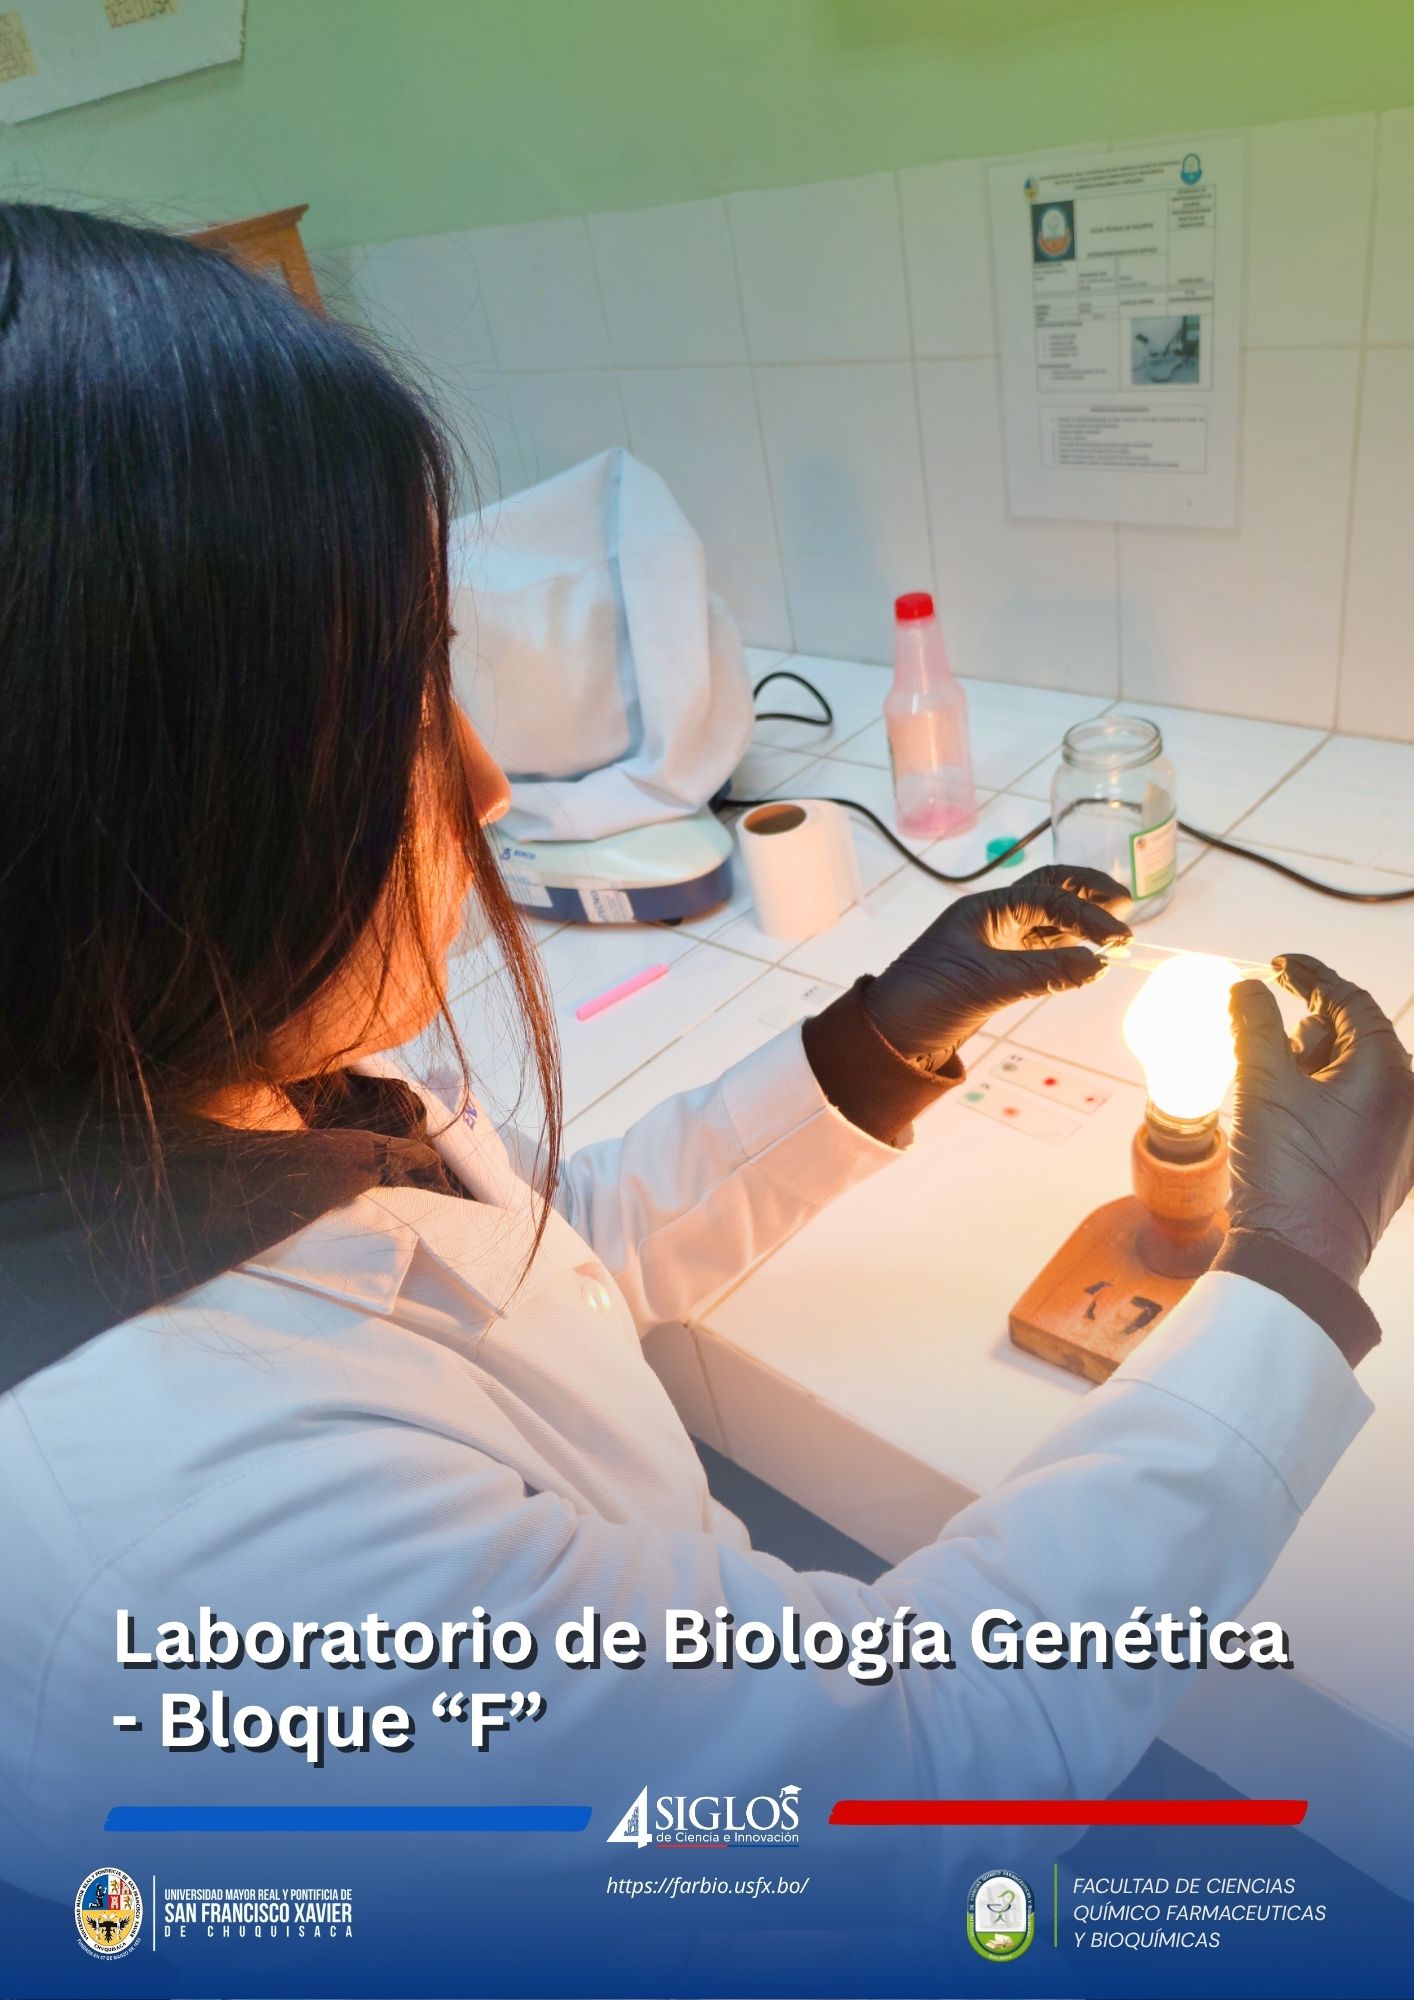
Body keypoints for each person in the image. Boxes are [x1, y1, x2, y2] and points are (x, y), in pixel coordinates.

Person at [1, 202, 1412, 1936]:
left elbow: (524, 1267)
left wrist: (878, 1041)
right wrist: (1294, 1281)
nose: (485, 785)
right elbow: (918, 1767)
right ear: (121, 797)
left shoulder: (177, 1085)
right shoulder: (205, 1547)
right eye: (398, 705)